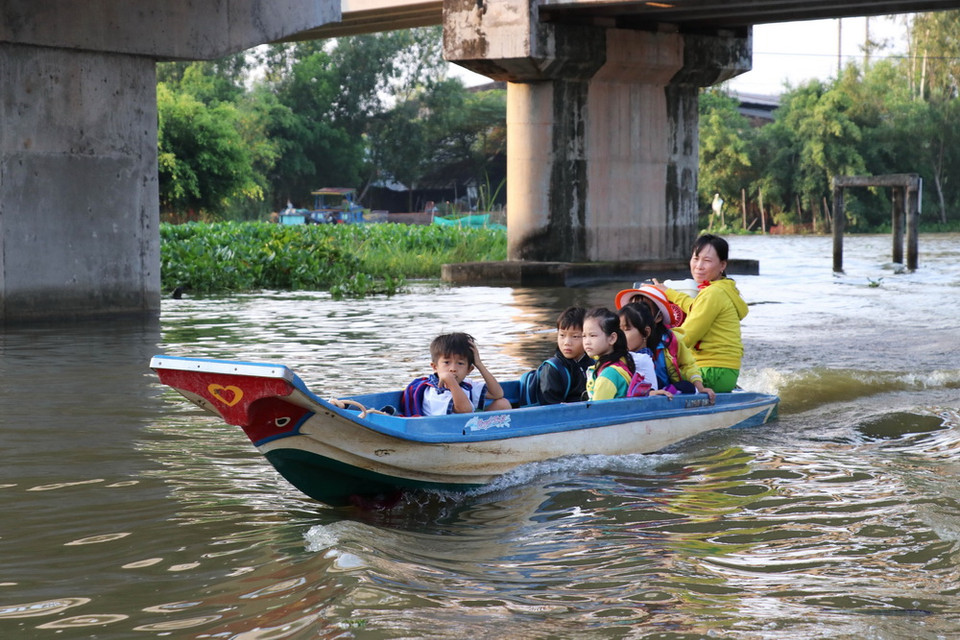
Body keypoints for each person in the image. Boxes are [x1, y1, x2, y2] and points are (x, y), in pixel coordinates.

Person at [653, 234, 747, 393]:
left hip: (711, 372)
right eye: (696, 258)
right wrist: (668, 293)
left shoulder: (712, 294)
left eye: (707, 261)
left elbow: (687, 337)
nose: (699, 266)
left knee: (654, 375)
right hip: (725, 372)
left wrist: (653, 341)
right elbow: (695, 307)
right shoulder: (723, 289)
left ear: (722, 265)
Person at [615, 285, 716, 403]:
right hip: (634, 391)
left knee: (686, 387)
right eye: (634, 308)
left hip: (666, 390)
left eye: (645, 309)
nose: (637, 312)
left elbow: (687, 365)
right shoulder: (621, 340)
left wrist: (700, 387)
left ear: (659, 317)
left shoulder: (672, 340)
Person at [400, 332, 512, 416]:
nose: (453, 369)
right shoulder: (436, 391)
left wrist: (479, 364)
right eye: (446, 362)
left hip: (465, 427)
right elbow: (465, 410)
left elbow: (497, 394)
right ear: (435, 367)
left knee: (503, 404)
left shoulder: (466, 384)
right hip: (441, 431)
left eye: (460, 363)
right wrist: (450, 380)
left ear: (469, 370)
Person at [582, 307, 667, 401]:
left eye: (593, 335)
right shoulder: (622, 361)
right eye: (584, 336)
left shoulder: (608, 375)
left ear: (612, 338)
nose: (587, 342)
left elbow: (597, 410)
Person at [519, 306, 593, 405]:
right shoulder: (553, 368)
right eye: (562, 335)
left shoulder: (593, 363)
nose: (567, 342)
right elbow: (551, 407)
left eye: (575, 336)